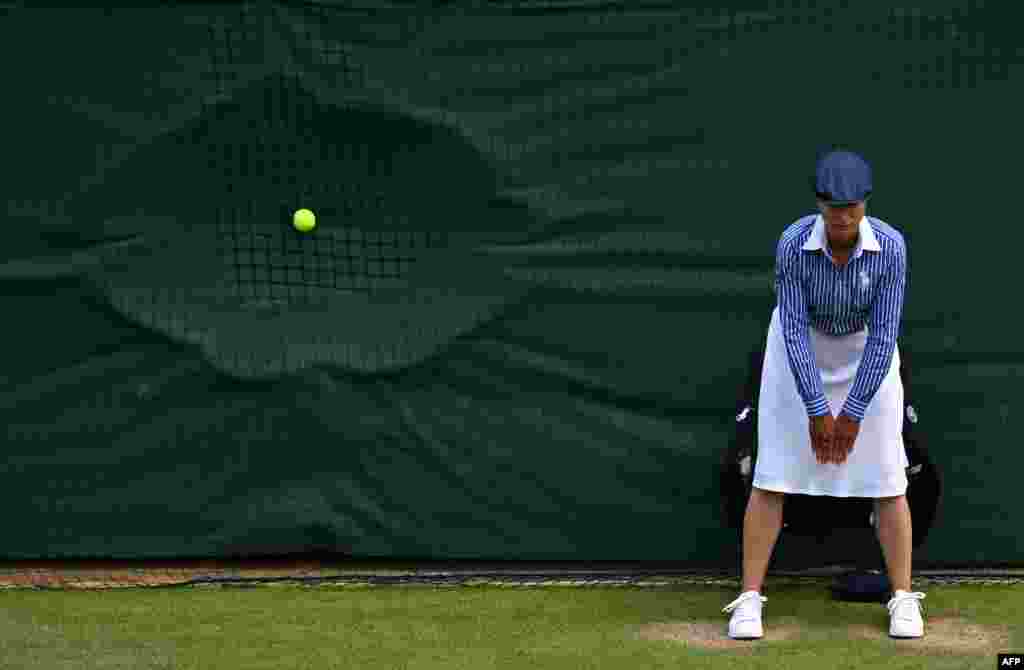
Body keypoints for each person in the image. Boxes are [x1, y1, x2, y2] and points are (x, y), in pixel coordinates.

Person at [722, 149, 926, 640]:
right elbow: (792, 328)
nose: (843, 216)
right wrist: (817, 409)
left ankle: (903, 598)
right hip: (798, 352)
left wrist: (851, 413)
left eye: (852, 205)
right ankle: (749, 599)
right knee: (772, 474)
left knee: (888, 477)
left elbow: (884, 335)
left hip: (866, 354)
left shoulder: (892, 248)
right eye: (834, 206)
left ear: (865, 203)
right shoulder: (793, 243)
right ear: (819, 203)